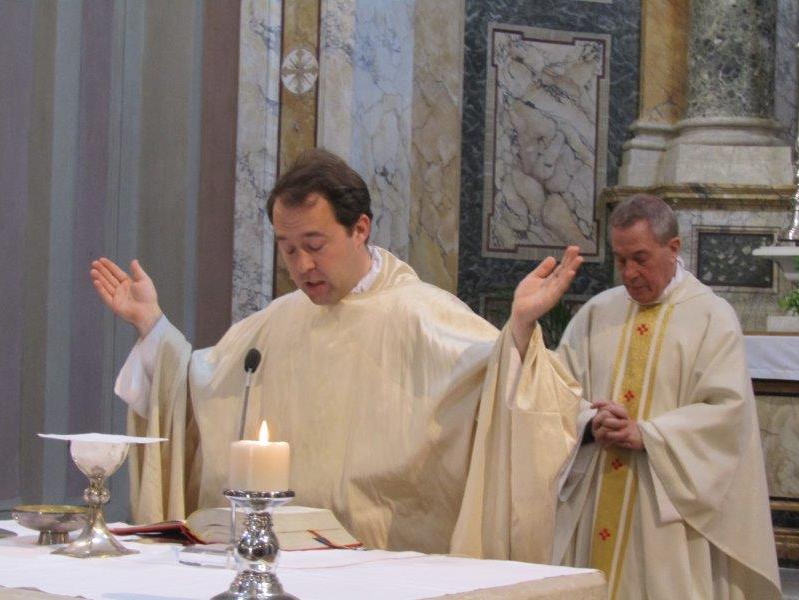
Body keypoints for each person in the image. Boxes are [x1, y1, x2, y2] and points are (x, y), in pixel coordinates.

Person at [91, 148, 584, 561]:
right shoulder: (277, 321)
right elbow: (198, 390)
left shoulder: (421, 314)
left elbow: (499, 387)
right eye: (288, 249)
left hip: (387, 564)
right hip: (284, 562)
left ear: (360, 228)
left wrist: (521, 329)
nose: (303, 265)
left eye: (315, 244)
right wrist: (153, 327)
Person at [552, 194, 781, 599]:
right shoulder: (597, 313)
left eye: (640, 258)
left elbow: (727, 412)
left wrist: (649, 434)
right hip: (598, 490)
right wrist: (589, 421)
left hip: (667, 509)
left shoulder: (711, 317)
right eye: (620, 260)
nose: (629, 273)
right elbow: (556, 390)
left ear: (673, 248)